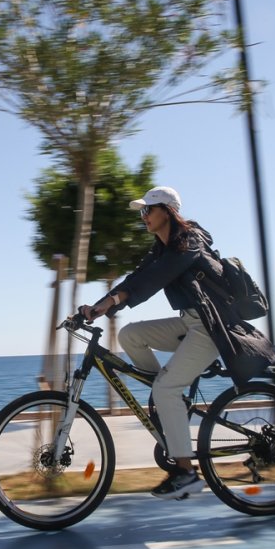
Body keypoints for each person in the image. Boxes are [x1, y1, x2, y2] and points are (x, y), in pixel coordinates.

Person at [79, 186, 222, 501]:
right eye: (142, 211)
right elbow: (135, 278)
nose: (143, 216)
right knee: (130, 334)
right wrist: (100, 305)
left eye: (148, 210)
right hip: (190, 322)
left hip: (212, 328)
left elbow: (153, 280)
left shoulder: (189, 242)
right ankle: (167, 403)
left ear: (167, 211)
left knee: (165, 388)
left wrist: (114, 300)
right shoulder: (162, 247)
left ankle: (186, 474)